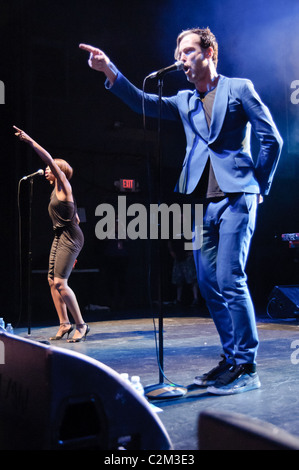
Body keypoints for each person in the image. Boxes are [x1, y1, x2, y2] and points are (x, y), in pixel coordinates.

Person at [79, 26, 283, 394]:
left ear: (209, 53)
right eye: (179, 53)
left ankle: (247, 365)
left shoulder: (239, 89)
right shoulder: (184, 100)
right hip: (205, 203)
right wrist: (110, 70)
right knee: (207, 283)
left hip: (238, 196)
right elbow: (142, 101)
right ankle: (230, 357)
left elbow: (272, 138)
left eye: (188, 51)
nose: (181, 59)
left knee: (230, 279)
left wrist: (259, 186)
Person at [14, 126, 89, 343]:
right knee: (50, 281)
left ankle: (81, 325)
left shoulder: (64, 185)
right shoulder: (56, 191)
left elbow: (48, 157)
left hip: (70, 237)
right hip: (61, 236)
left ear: (59, 171)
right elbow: (74, 217)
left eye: (50, 167)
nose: (46, 169)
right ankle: (64, 323)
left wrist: (29, 140)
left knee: (61, 283)